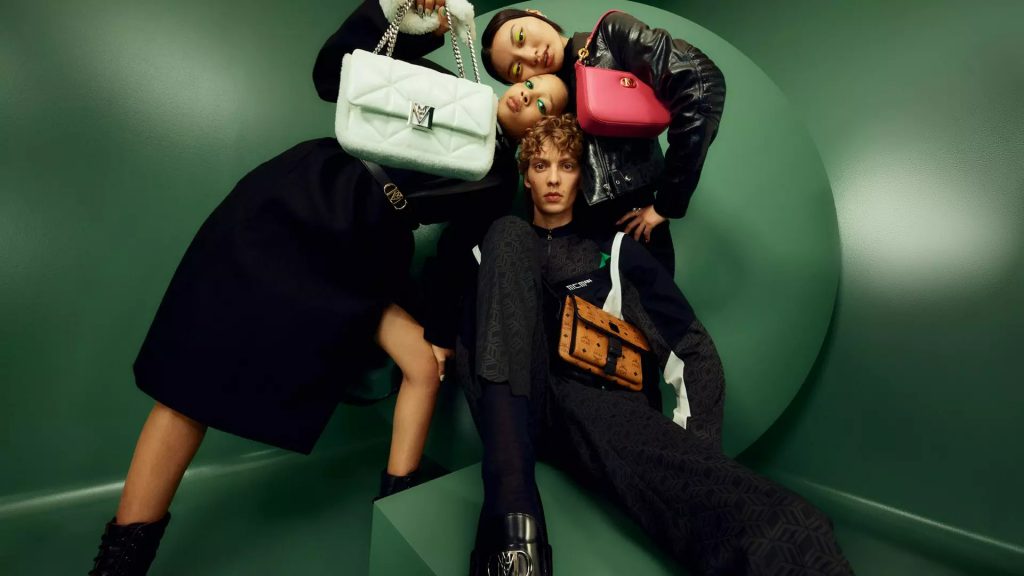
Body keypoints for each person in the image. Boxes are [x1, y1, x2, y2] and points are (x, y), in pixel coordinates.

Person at [87, 1, 569, 575]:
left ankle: (396, 499)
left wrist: (442, 332)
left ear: (543, 130)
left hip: (364, 248)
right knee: (191, 379)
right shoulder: (449, 86)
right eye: (519, 73)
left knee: (418, 362)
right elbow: (332, 72)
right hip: (300, 199)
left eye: (542, 97)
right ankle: (121, 560)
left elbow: (453, 258)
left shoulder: (499, 179)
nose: (524, 85)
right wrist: (404, 18)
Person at [439, 114, 853, 576]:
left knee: (779, 524)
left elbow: (693, 351)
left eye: (567, 165)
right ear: (526, 176)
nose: (553, 179)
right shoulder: (488, 253)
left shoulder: (616, 251)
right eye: (540, 166)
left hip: (597, 406)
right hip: (512, 406)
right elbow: (465, 339)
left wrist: (694, 452)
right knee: (507, 234)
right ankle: (513, 544)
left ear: (582, 176)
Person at [479, 7, 727, 275]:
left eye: (520, 37)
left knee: (651, 301)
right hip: (567, 242)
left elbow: (699, 82)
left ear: (534, 13)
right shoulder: (539, 99)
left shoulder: (608, 36)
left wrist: (666, 204)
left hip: (632, 227)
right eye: (517, 69)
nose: (532, 55)